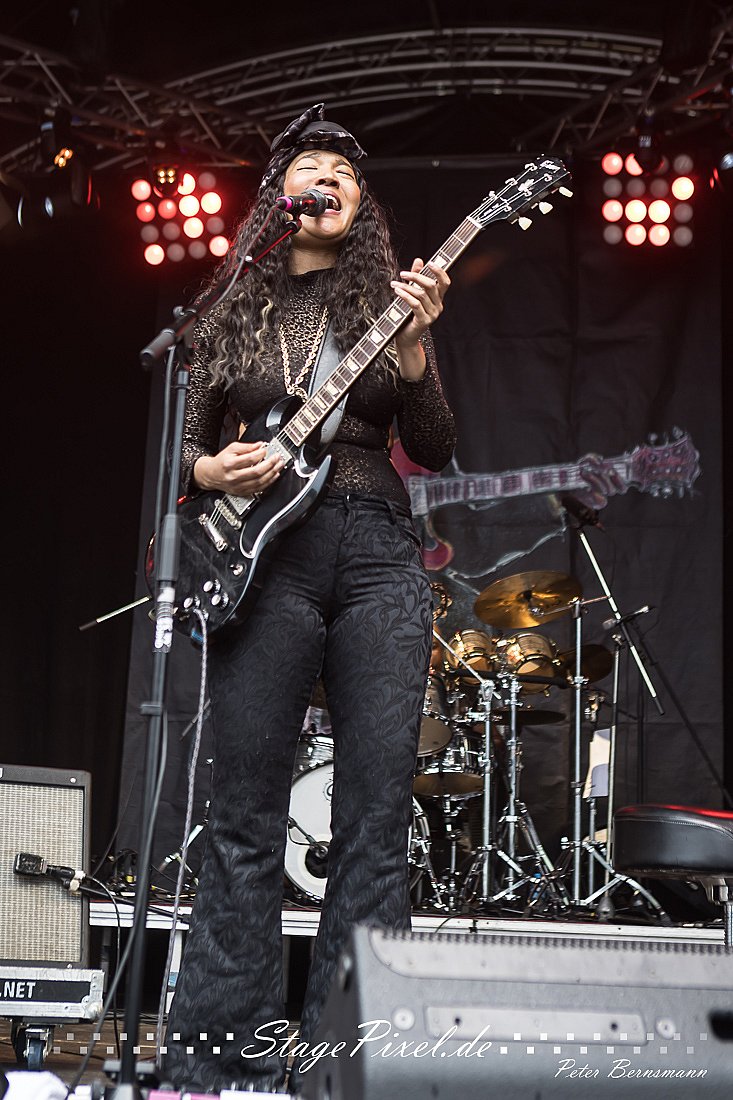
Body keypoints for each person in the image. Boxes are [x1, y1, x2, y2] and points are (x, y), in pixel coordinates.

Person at [161, 102, 456, 1094]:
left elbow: (437, 444)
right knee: (242, 806)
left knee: (375, 811)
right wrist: (210, 470)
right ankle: (219, 1053)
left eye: (344, 170)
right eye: (310, 164)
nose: (327, 176)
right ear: (279, 195)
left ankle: (357, 1057)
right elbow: (185, 448)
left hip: (377, 551)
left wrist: (414, 354)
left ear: (361, 204)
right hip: (264, 556)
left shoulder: (387, 305)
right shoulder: (230, 306)